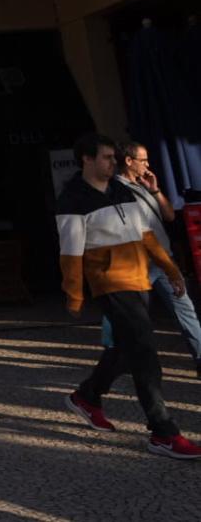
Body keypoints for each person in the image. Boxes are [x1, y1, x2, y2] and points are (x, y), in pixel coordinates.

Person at [59, 133, 200, 458]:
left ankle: (88, 396)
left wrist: (170, 268)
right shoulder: (73, 199)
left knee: (126, 349)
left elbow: (146, 234)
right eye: (107, 157)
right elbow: (70, 252)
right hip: (109, 280)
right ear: (87, 160)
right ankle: (163, 432)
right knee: (146, 351)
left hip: (137, 275)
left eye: (114, 157)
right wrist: (75, 294)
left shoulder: (121, 190)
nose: (114, 163)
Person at [103, 140, 201, 378]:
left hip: (163, 261)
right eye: (143, 160)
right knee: (128, 316)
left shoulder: (145, 185)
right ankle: (114, 359)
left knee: (185, 310)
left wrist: (155, 190)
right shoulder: (115, 190)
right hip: (138, 264)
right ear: (128, 161)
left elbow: (168, 216)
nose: (147, 165)